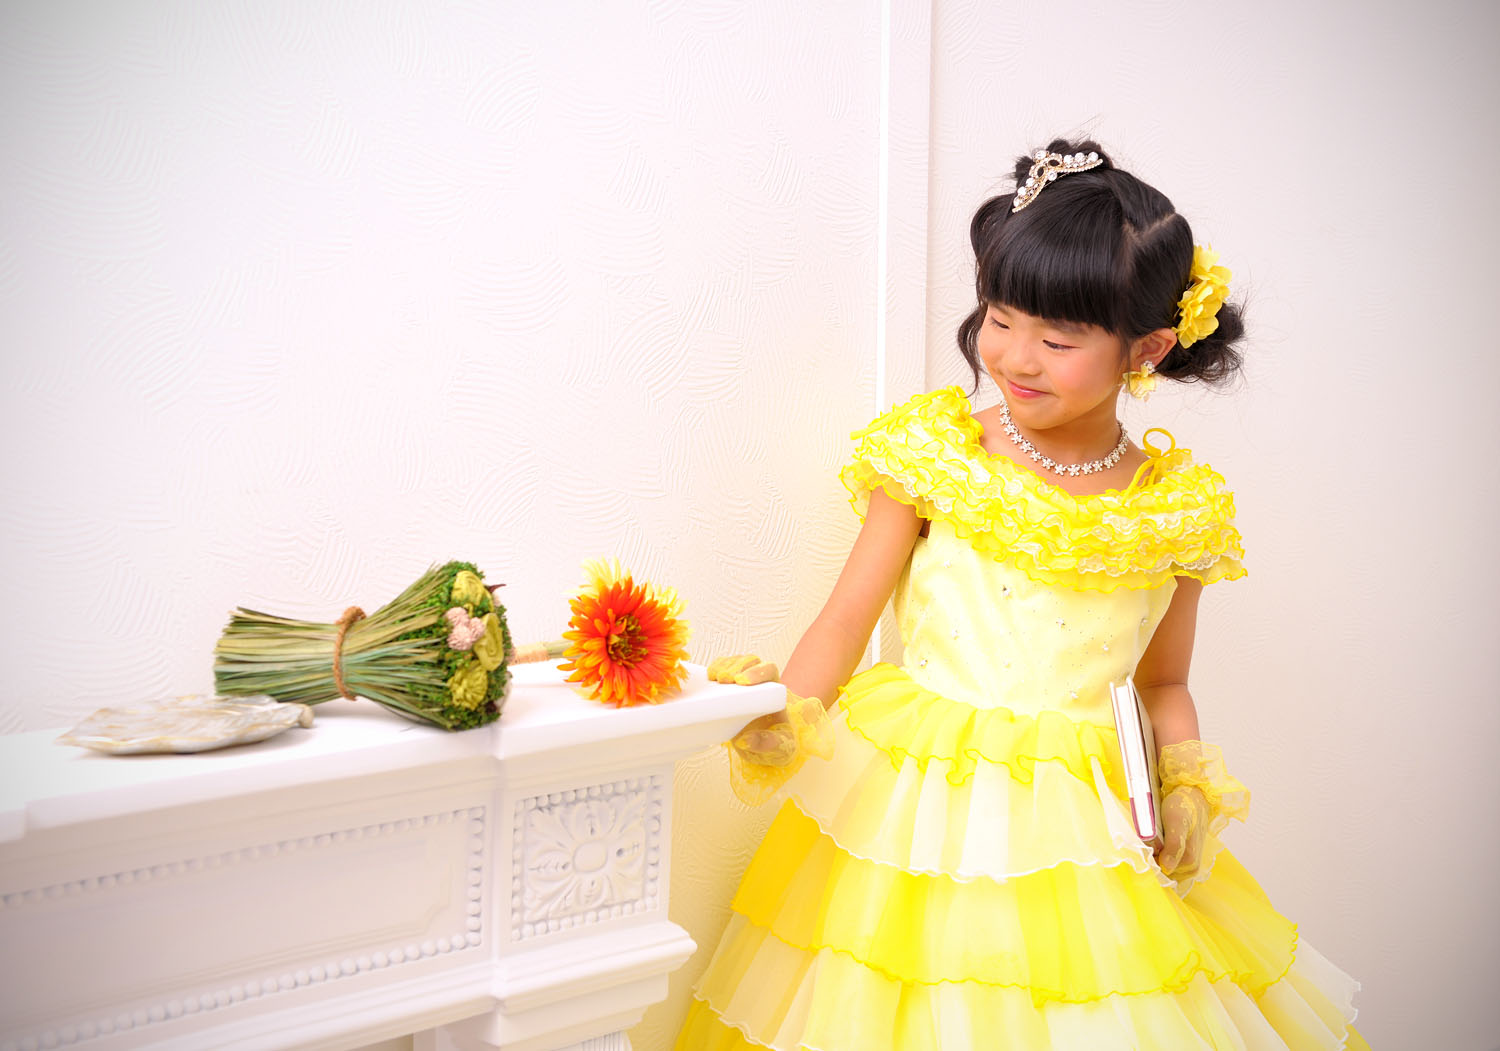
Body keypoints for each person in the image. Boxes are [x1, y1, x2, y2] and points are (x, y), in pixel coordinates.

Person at [675, 139, 1367, 1050]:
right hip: (913, 805)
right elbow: (845, 618)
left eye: (1059, 340)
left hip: (1086, 825)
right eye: (999, 319)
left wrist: (1187, 783)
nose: (1015, 356)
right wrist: (787, 710)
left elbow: (1163, 682)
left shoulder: (1175, 512)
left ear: (1147, 349)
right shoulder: (939, 454)